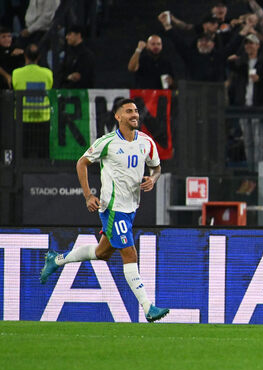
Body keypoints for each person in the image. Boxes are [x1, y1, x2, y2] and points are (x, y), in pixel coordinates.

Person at [40, 98, 170, 323]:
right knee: (130, 253)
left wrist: (154, 179)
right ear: (118, 117)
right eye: (128, 111)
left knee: (103, 253)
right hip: (112, 207)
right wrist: (89, 195)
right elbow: (81, 163)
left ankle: (56, 259)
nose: (134, 115)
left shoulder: (146, 142)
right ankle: (148, 307)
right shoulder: (107, 142)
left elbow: (157, 167)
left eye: (136, 111)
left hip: (130, 208)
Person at [227, 34, 263, 171]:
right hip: (244, 105)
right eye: (247, 44)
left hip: (258, 105)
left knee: (259, 140)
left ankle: (259, 169)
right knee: (248, 140)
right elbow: (229, 63)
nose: (249, 46)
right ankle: (251, 169)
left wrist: (260, 80)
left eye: (252, 43)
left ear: (258, 45)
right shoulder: (241, 63)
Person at [12, 43, 52, 158]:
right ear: (39, 57)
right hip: (42, 117)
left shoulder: (16, 73)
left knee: (22, 153)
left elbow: (15, 87)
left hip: (22, 118)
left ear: (25, 56)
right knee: (43, 153)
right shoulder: (48, 73)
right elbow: (49, 87)